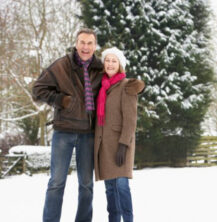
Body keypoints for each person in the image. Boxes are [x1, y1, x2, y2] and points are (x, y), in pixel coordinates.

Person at [32, 28, 102, 222]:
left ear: (95, 46)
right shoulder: (62, 65)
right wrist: (59, 99)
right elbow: (38, 89)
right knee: (56, 182)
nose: (85, 47)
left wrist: (135, 87)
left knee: (87, 184)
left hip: (88, 133)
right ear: (76, 43)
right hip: (63, 131)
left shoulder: (100, 68)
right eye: (82, 42)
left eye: (89, 43)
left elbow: (116, 83)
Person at [94, 47, 145, 222]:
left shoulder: (126, 86)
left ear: (120, 65)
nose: (110, 64)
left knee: (121, 185)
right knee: (109, 188)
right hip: (104, 145)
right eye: (107, 60)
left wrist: (123, 145)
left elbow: (130, 120)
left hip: (121, 144)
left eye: (114, 61)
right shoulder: (100, 87)